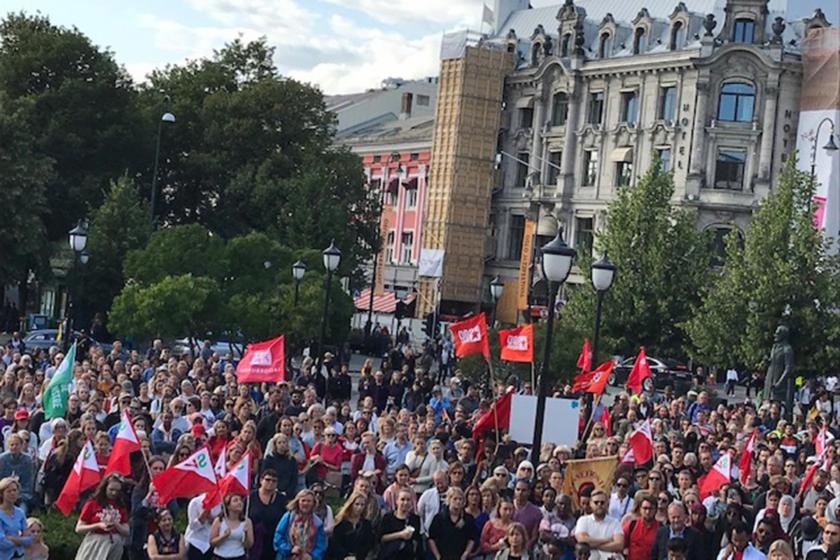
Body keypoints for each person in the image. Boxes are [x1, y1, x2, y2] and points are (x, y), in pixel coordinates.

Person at [75, 473, 130, 560]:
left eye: (117, 490)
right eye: (111, 489)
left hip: (115, 543)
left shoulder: (121, 505)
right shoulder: (92, 503)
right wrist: (98, 525)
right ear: (105, 488)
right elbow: (79, 528)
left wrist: (116, 524)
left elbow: (127, 531)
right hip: (96, 542)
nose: (114, 493)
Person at [274, 489, 327, 560]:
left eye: (309, 501)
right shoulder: (289, 517)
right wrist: (289, 549)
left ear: (313, 503)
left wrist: (312, 556)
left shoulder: (318, 523)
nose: (305, 503)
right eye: (303, 500)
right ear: (298, 502)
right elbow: (278, 536)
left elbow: (321, 544)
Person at [573, 489, 624, 560]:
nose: (599, 505)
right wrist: (607, 540)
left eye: (602, 502)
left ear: (607, 504)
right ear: (591, 503)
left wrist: (593, 545)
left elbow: (619, 545)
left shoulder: (615, 522)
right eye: (596, 502)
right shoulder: (583, 520)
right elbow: (582, 540)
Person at [428, 487, 476, 560]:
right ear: (449, 500)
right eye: (455, 499)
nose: (458, 501)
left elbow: (472, 538)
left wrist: (465, 554)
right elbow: (431, 539)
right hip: (444, 556)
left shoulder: (468, 518)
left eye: (460, 499)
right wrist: (438, 556)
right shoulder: (439, 518)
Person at [250, 470, 288, 560]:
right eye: (268, 480)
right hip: (253, 541)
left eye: (274, 481)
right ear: (261, 480)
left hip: (273, 542)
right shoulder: (251, 497)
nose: (270, 483)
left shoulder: (282, 499)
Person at [326, 490, 374, 560]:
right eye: (357, 504)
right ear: (351, 504)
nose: (359, 508)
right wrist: (346, 556)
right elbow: (335, 544)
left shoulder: (366, 524)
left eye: (362, 505)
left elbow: (367, 545)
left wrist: (357, 557)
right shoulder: (341, 523)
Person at [209, 494, 254, 559]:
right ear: (228, 506)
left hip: (239, 556)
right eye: (235, 500)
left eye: (240, 500)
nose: (239, 502)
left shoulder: (247, 522)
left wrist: (246, 534)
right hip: (220, 557)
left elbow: (249, 545)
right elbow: (212, 543)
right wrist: (223, 536)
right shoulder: (219, 520)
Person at [0, 477, 31, 560]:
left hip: (19, 556)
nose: (12, 493)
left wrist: (12, 538)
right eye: (9, 491)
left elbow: (29, 539)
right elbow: (2, 543)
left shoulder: (20, 512)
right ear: (2, 494)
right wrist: (21, 540)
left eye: (14, 490)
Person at [622, 495, 659, 560]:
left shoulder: (661, 529)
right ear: (640, 509)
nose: (647, 512)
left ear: (655, 510)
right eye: (645, 508)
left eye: (651, 508)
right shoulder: (632, 525)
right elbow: (620, 543)